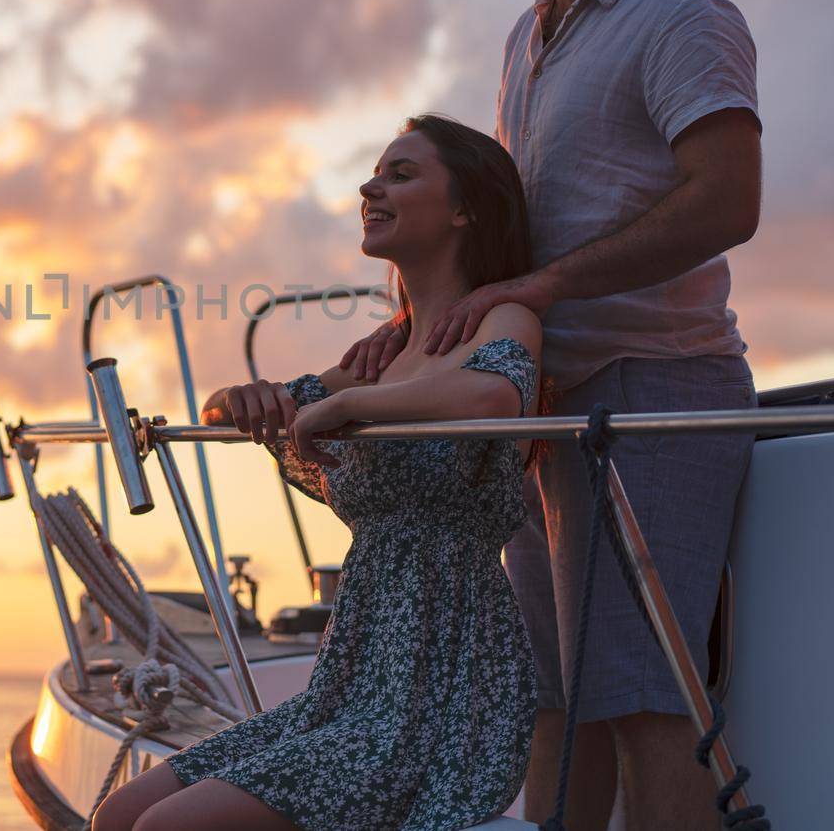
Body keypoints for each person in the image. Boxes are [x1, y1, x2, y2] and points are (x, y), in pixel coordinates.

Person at [340, 0, 763, 830]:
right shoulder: (526, 36)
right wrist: (408, 335)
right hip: (546, 409)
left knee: (643, 702)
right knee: (553, 702)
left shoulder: (683, 15)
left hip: (653, 397)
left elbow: (729, 200)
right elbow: (518, 232)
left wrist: (542, 288)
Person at [92, 114, 544, 831]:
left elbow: (499, 394)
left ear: (465, 209)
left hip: (442, 692)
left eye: (401, 173)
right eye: (375, 171)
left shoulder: (501, 320)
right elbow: (236, 412)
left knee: (160, 830)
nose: (371, 185)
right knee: (120, 815)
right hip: (353, 683)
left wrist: (354, 403)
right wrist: (242, 399)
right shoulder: (381, 354)